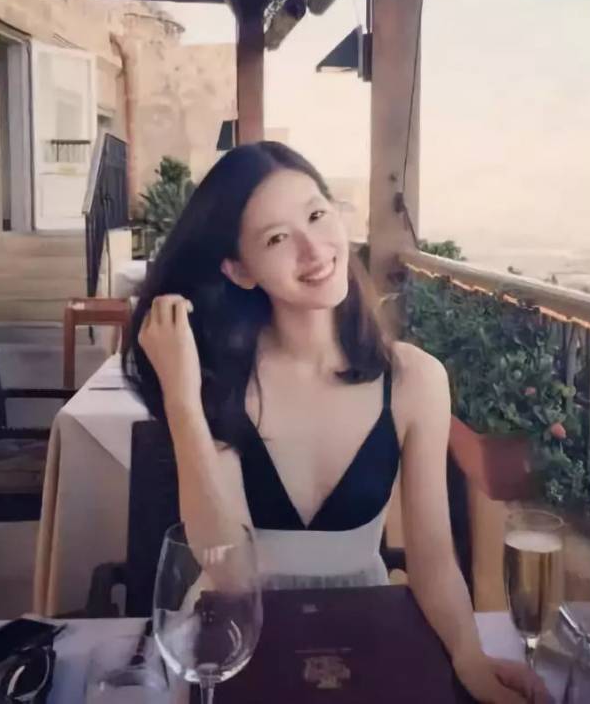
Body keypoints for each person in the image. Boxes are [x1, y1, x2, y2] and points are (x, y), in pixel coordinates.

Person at [126, 142, 548, 704]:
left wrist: (469, 658)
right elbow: (228, 576)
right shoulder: (218, 379)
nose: (313, 249)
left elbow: (432, 562)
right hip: (229, 643)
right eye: (276, 239)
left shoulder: (415, 380)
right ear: (239, 269)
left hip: (365, 631)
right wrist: (181, 398)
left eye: (316, 214)